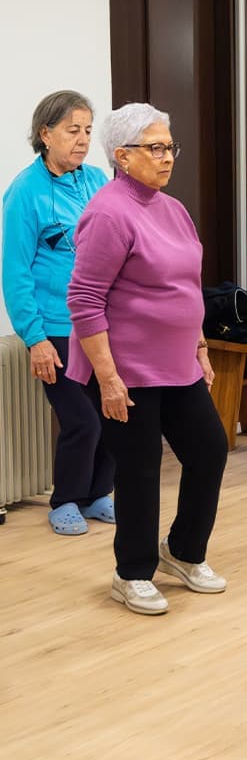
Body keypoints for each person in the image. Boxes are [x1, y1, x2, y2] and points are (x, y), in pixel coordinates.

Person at [66, 102, 228, 615]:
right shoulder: (108, 212)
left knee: (209, 450)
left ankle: (181, 552)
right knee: (139, 468)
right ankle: (131, 572)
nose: (166, 158)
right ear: (122, 156)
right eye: (154, 149)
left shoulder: (172, 208)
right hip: (126, 370)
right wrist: (108, 379)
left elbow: (188, 287)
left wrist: (199, 346)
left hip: (177, 364)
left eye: (169, 147)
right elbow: (84, 299)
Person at [2, 90, 115, 535]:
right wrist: (34, 338)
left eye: (88, 130)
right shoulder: (25, 191)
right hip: (55, 327)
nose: (83, 139)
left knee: (110, 412)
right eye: (73, 130)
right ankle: (65, 498)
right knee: (81, 420)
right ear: (45, 134)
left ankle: (97, 493)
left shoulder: (97, 182)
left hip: (99, 324)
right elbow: (15, 273)